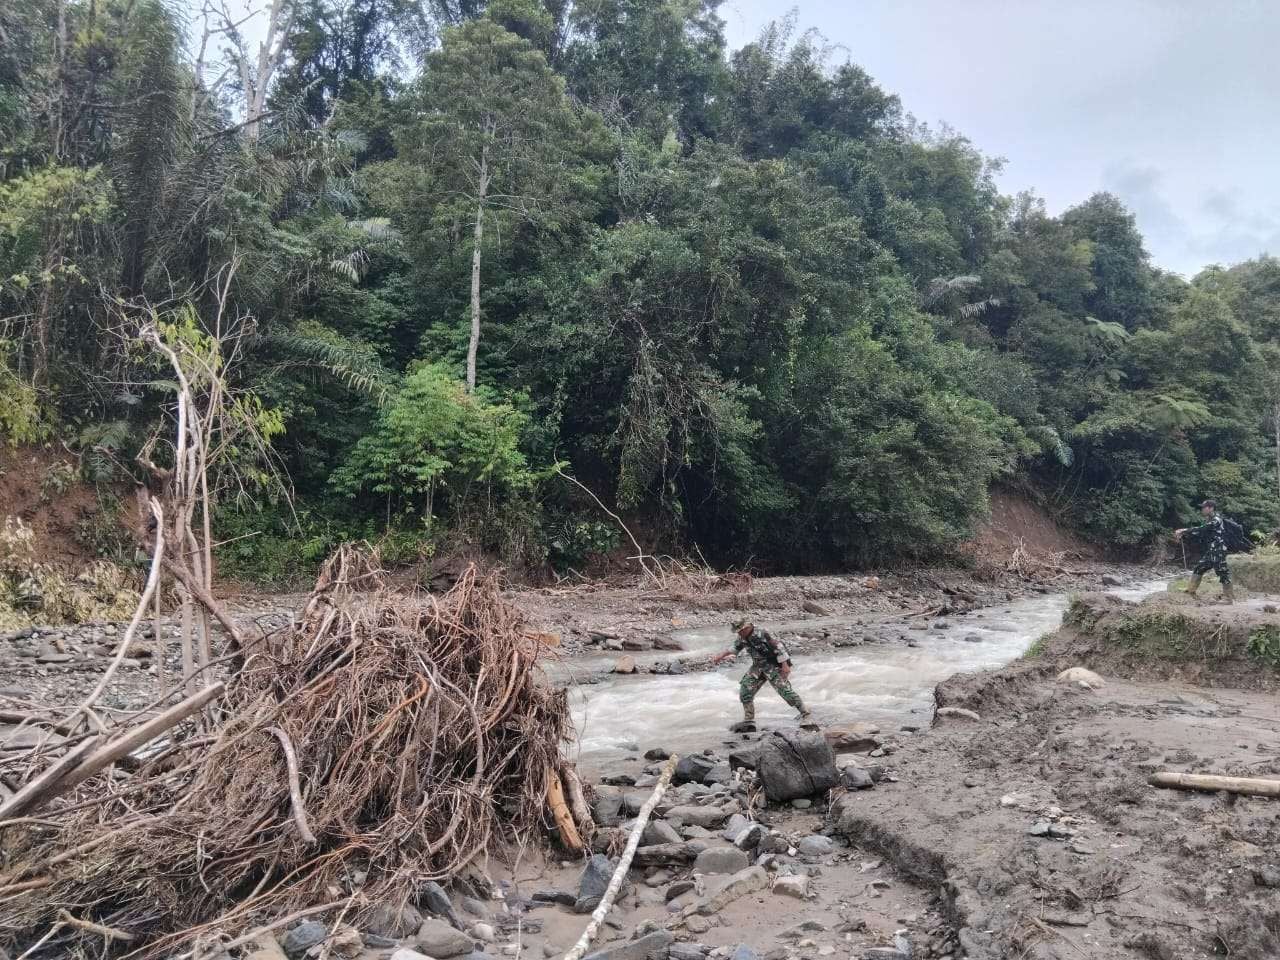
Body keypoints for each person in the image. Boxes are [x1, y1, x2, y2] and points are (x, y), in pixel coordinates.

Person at [711, 619, 811, 725]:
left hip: (774, 665)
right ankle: (749, 720)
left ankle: (805, 713)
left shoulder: (762, 633)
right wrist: (720, 656)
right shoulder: (742, 636)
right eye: (738, 631)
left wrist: (785, 665)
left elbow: (779, 647)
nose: (739, 633)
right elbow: (735, 647)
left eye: (741, 631)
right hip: (758, 667)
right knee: (745, 690)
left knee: (785, 691)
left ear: (747, 627)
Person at [1175, 499, 1234, 603]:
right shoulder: (1209, 520)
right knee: (1199, 568)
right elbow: (1201, 532)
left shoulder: (1216, 520)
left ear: (1211, 508)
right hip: (1212, 550)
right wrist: (1186, 534)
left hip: (1218, 550)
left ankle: (1228, 598)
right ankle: (1191, 591)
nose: (1202, 509)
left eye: (1204, 507)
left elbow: (1202, 529)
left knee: (1223, 572)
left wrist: (1184, 530)